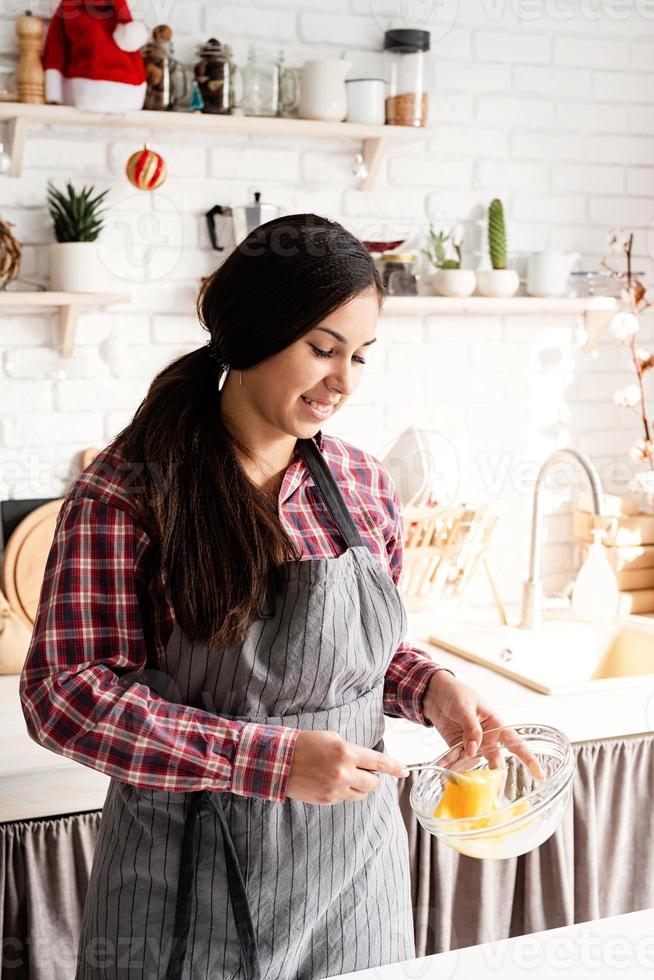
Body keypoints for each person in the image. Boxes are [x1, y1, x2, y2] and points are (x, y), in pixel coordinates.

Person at [20, 214, 538, 979]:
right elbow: (65, 696)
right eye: (322, 349)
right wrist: (266, 760)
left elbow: (363, 652)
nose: (344, 380)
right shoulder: (126, 492)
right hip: (183, 895)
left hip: (356, 888)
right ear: (255, 334)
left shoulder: (362, 484)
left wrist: (433, 688)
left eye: (360, 355)